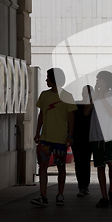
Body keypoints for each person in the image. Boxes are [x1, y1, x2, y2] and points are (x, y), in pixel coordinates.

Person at [31, 68, 77, 206]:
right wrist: (37, 132)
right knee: (43, 166)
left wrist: (70, 136)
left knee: (61, 167)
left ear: (53, 79)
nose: (46, 80)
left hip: (61, 138)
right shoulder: (44, 95)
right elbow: (41, 115)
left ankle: (60, 195)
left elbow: (71, 117)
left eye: (48, 77)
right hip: (45, 138)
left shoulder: (67, 96)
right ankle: (43, 196)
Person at [88, 70, 112, 208]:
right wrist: (94, 97)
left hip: (111, 133)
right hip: (97, 134)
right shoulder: (95, 95)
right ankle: (104, 196)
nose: (97, 81)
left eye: (99, 79)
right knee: (100, 166)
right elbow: (86, 112)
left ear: (105, 81)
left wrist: (102, 96)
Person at [73, 85, 93, 197]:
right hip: (78, 137)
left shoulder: (93, 107)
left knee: (85, 162)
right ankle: (82, 186)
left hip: (88, 138)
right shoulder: (76, 105)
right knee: (79, 163)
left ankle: (84, 186)